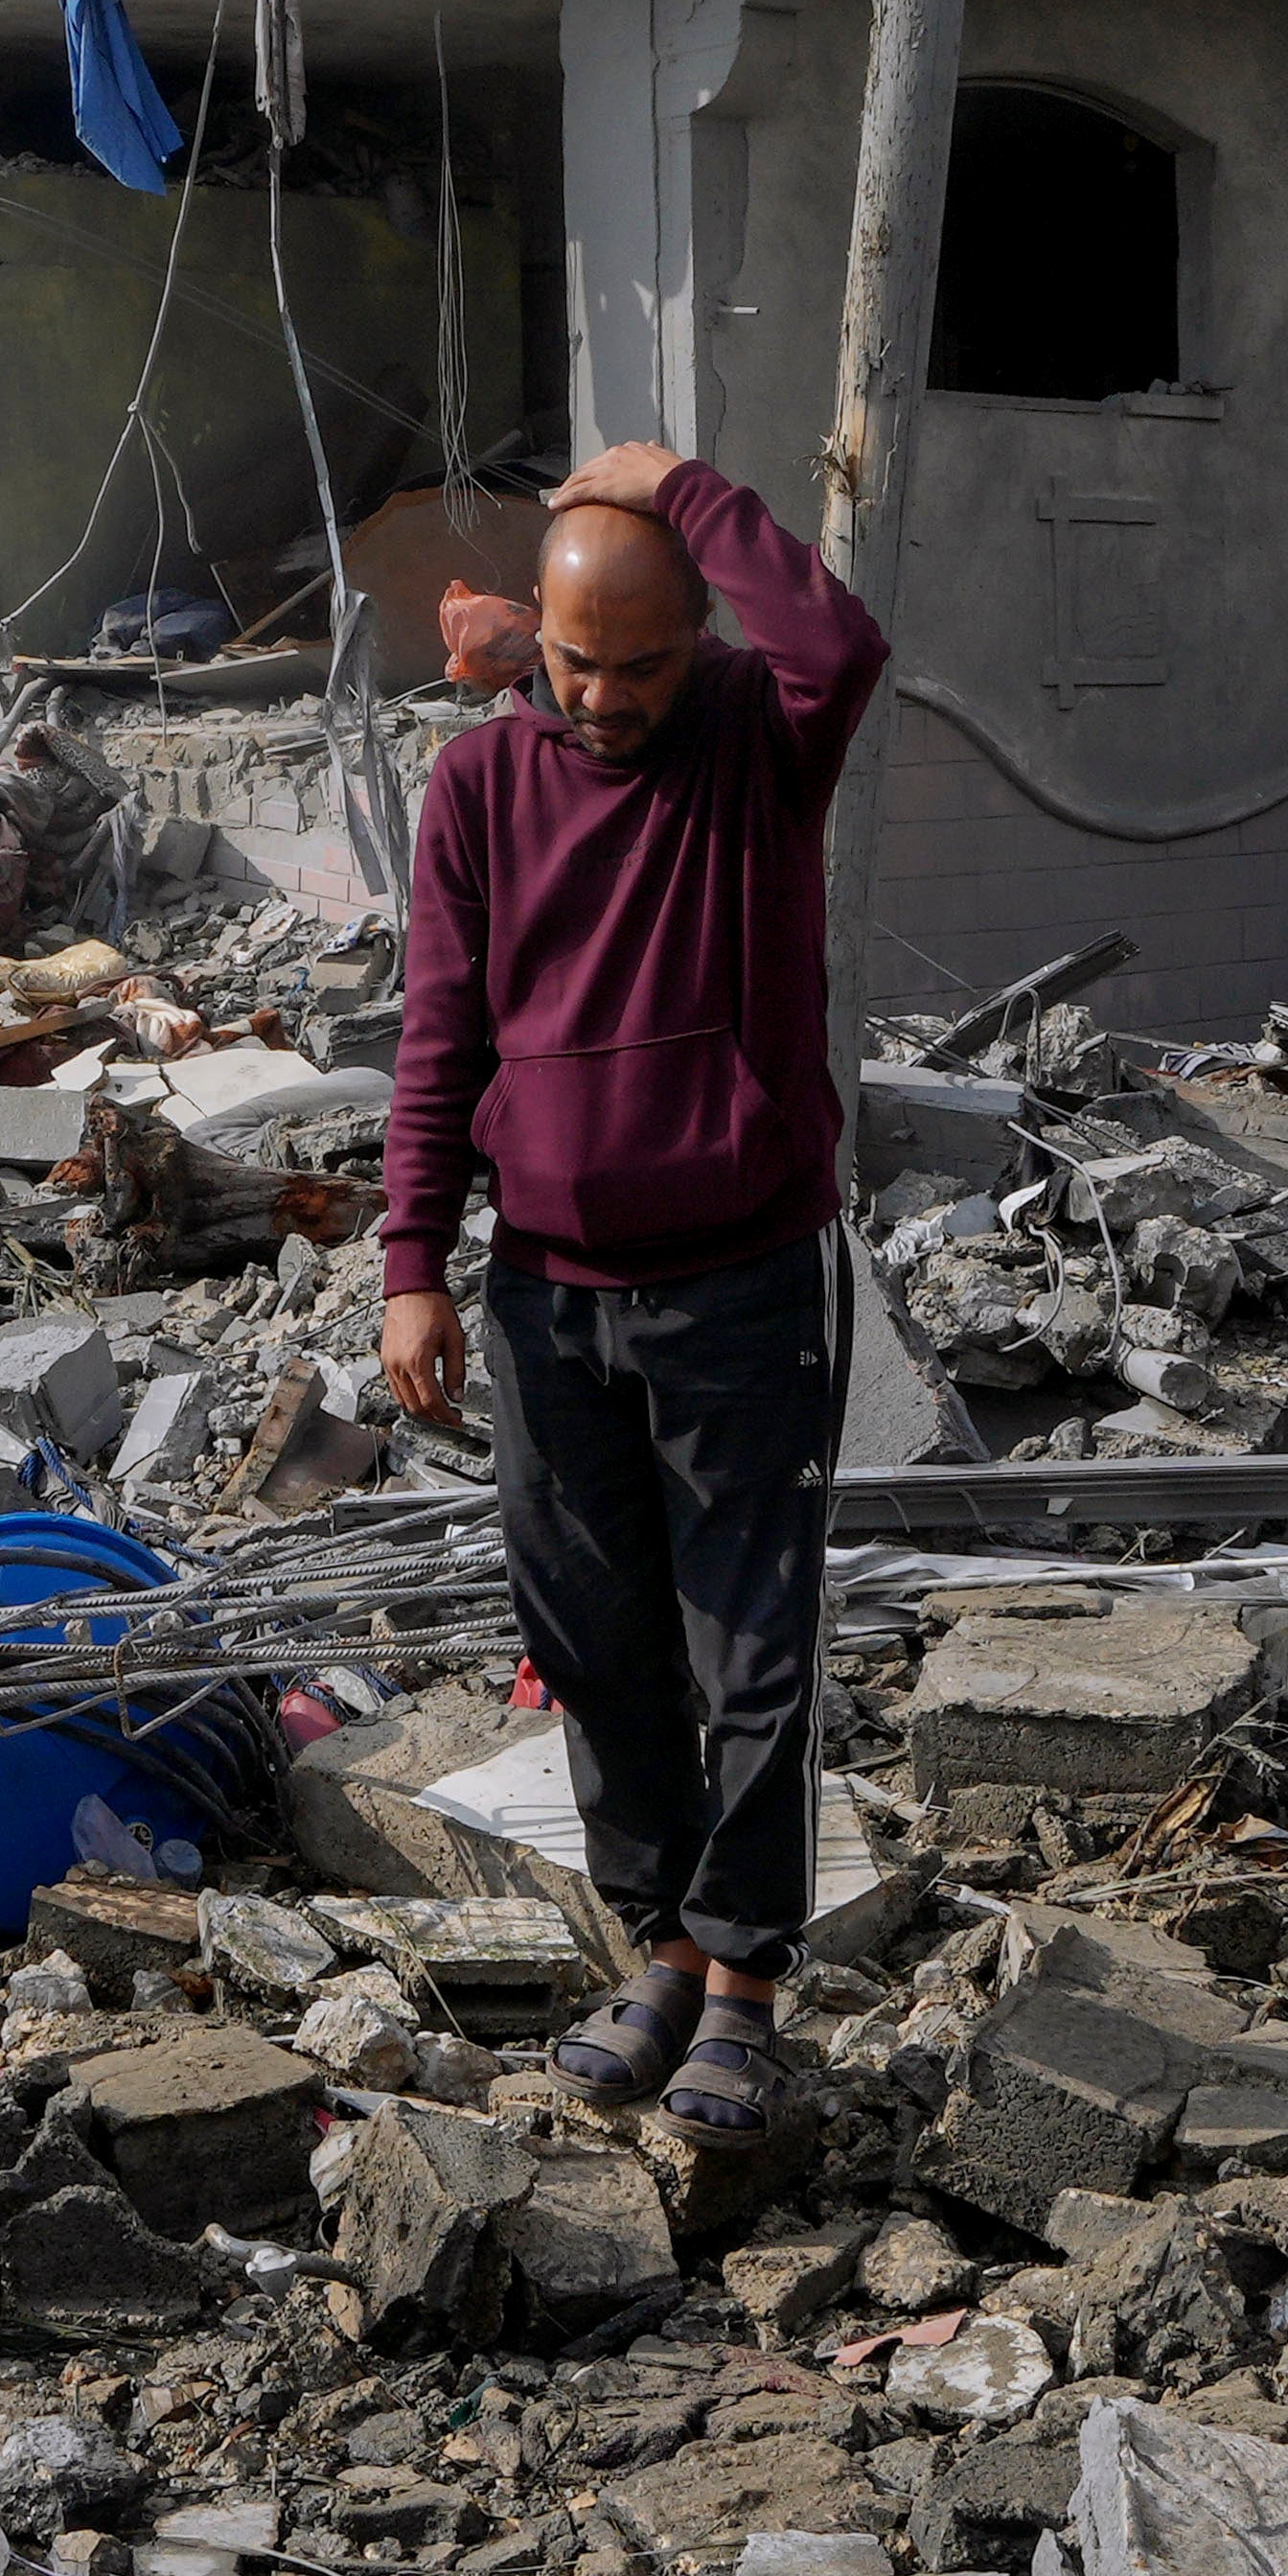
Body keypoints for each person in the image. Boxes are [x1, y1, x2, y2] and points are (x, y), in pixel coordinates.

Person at [371, 439, 883, 2147]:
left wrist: (690, 487)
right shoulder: (480, 791)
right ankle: (656, 1947)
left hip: (742, 1277)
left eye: (642, 663)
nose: (604, 698)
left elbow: (840, 642)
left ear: (695, 642)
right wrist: (409, 1265)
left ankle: (743, 1986)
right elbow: (440, 1036)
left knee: (747, 1646)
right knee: (593, 1641)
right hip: (545, 1294)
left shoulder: (756, 738)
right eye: (577, 662)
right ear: (538, 637)